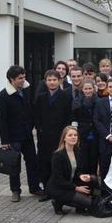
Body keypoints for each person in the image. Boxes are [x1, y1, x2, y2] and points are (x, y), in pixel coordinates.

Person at [0, 65, 41, 202]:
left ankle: (34, 188)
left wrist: (33, 125)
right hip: (13, 137)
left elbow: (32, 109)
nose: (23, 80)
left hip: (27, 135)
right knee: (14, 165)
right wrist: (4, 141)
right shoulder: (3, 95)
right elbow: (2, 119)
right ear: (12, 79)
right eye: (20, 78)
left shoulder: (27, 90)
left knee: (32, 162)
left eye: (24, 77)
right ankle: (15, 191)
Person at [34, 70, 72, 200]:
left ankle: (57, 191)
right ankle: (46, 191)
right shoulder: (41, 97)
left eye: (54, 80)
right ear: (45, 82)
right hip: (44, 137)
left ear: (59, 81)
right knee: (44, 163)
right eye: (49, 80)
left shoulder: (66, 97)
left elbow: (68, 117)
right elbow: (36, 117)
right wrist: (40, 129)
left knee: (56, 163)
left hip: (59, 136)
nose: (52, 82)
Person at [47, 126, 98, 215]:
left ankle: (79, 206)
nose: (73, 137)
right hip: (59, 188)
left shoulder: (77, 151)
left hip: (71, 183)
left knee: (92, 179)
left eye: (75, 135)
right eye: (70, 135)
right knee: (89, 203)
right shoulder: (58, 155)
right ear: (64, 138)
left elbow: (77, 170)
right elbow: (58, 180)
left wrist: (81, 175)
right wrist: (76, 188)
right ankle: (57, 202)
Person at [71, 79, 99, 174]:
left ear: (93, 89)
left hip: (96, 133)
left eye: (90, 88)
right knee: (83, 159)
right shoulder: (77, 102)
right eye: (85, 89)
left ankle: (93, 179)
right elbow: (74, 118)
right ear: (82, 89)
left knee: (94, 158)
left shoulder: (99, 101)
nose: (88, 91)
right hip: (82, 133)